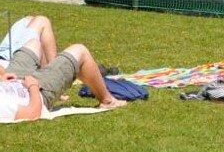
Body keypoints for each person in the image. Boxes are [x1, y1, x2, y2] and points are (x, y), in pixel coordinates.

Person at [0, 32, 128, 121]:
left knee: (34, 43)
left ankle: (51, 73)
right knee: (80, 50)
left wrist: (2, 77)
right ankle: (107, 101)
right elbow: (33, 113)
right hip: (37, 91)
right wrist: (32, 85)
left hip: (12, 81)